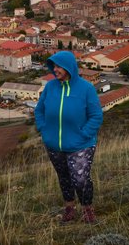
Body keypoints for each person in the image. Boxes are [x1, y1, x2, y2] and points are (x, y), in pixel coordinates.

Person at [35, 50, 103, 224]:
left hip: (81, 144)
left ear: (69, 67)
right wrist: (44, 129)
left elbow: (96, 116)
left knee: (80, 179)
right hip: (54, 144)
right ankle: (69, 209)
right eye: (54, 66)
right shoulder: (50, 87)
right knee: (64, 177)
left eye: (59, 66)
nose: (55, 70)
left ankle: (87, 209)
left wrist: (83, 134)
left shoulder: (86, 88)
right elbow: (39, 110)